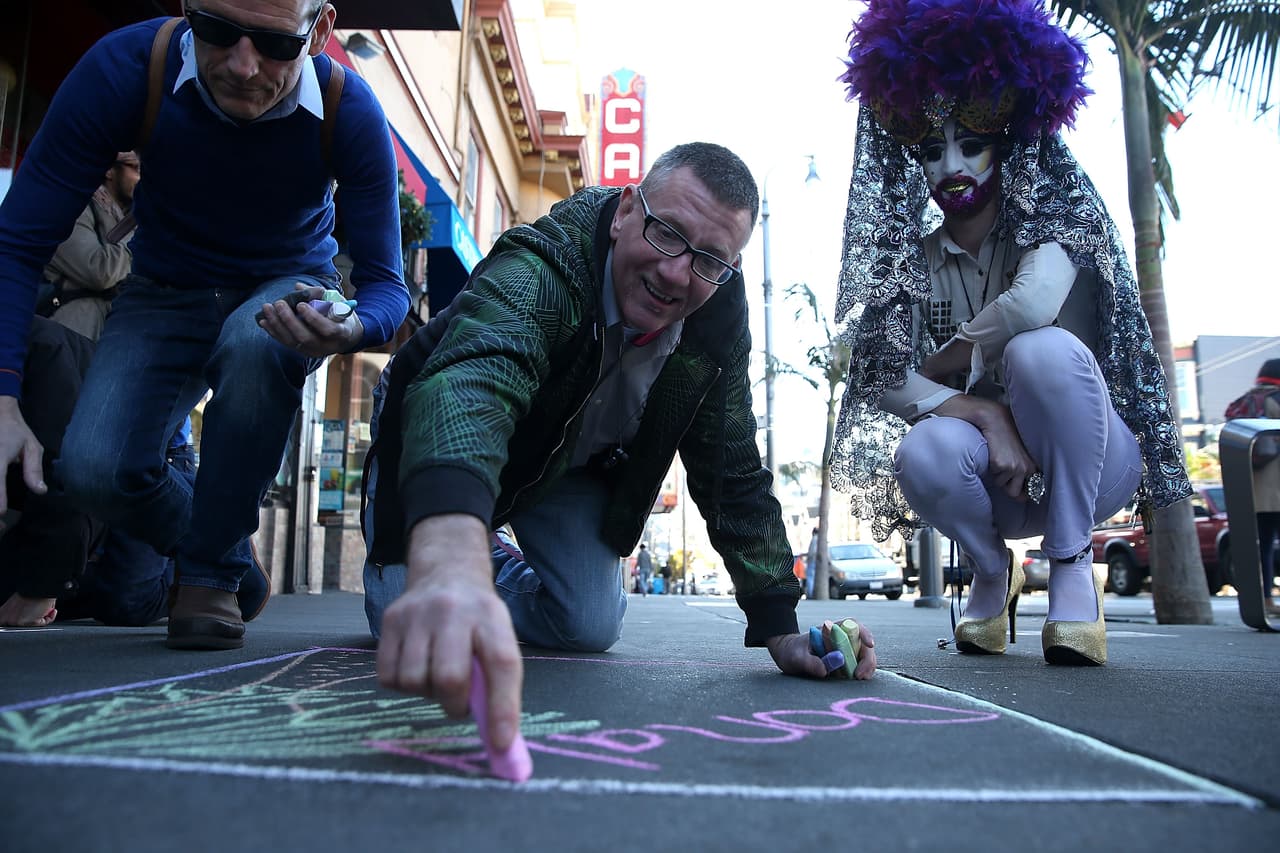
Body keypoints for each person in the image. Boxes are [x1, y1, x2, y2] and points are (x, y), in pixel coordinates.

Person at [363, 142, 878, 753]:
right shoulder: (545, 265)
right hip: (442, 432)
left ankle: (493, 560)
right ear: (628, 208)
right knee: (402, 611)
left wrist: (779, 626)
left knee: (589, 626)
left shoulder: (715, 314)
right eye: (667, 234)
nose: (676, 274)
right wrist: (448, 555)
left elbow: (728, 462)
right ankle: (469, 547)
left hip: (572, 464)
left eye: (712, 259)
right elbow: (470, 384)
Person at [0, 3, 408, 649]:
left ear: (321, 31)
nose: (244, 66)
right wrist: (3, 396)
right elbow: (18, 242)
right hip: (165, 286)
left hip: (287, 280)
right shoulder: (127, 67)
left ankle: (212, 575)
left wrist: (351, 328)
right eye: (218, 33)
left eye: (275, 45)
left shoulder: (348, 109)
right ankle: (234, 556)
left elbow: (389, 286)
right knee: (91, 468)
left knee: (258, 338)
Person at [831, 0, 1191, 666]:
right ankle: (992, 570)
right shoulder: (914, 260)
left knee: (1041, 350)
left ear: (1006, 144)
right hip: (992, 482)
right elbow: (881, 375)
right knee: (924, 452)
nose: (950, 165)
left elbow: (1032, 306)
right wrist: (983, 414)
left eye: (971, 142)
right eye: (931, 150)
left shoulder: (1053, 222)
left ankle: (1073, 564)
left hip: (1091, 465)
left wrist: (946, 357)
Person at [0, 318, 102, 627]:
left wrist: (39, 591)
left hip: (127, 470)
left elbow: (69, 471)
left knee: (130, 598)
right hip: (42, 502)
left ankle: (219, 555)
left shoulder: (42, 352)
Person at [41, 152, 140, 340]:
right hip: (71, 330)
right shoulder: (72, 208)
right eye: (134, 168)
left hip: (105, 336)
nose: (140, 177)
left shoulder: (118, 216)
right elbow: (98, 271)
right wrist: (137, 241)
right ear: (110, 170)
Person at [1224, 359, 1280, 614]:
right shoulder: (1276, 400)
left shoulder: (1247, 400)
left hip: (1252, 487)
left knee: (1263, 545)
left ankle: (1265, 599)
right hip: (1276, 485)